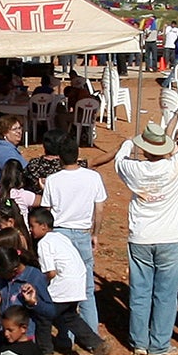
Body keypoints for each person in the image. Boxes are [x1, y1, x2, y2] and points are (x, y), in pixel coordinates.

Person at [113, 92, 178, 355]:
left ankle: (139, 341)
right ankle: (159, 343)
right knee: (165, 294)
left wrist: (129, 143)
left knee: (140, 292)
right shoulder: (177, 165)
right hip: (171, 237)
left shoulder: (133, 169)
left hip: (141, 237)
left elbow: (120, 158)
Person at [25, 207, 113, 355]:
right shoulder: (60, 237)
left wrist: (37, 285)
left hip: (64, 285)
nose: (31, 230)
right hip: (77, 283)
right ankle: (97, 344)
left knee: (43, 315)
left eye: (32, 226)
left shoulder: (44, 243)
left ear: (43, 226)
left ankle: (46, 354)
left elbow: (50, 272)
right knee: (69, 316)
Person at [39, 133, 108, 332]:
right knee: (86, 288)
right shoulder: (92, 177)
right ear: (78, 156)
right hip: (82, 233)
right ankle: (91, 334)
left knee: (62, 289)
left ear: (59, 157)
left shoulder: (53, 180)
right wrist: (95, 233)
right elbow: (100, 208)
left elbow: (47, 210)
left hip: (60, 235)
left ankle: (65, 336)